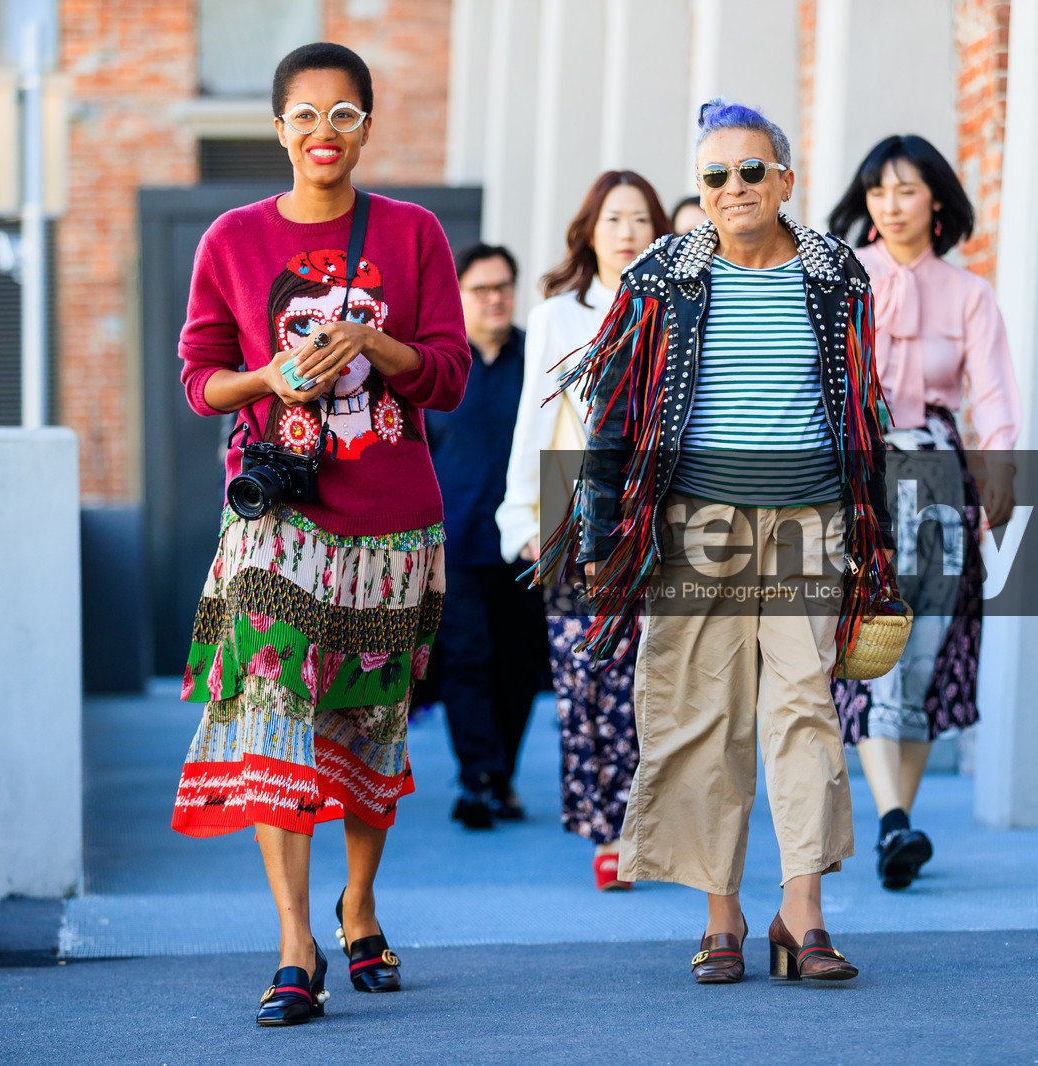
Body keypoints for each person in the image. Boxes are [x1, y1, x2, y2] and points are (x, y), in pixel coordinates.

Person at [544, 99, 895, 983]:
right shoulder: (663, 275)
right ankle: (722, 918)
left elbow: (865, 407)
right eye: (713, 176)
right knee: (702, 716)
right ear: (697, 187)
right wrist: (596, 533)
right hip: (693, 527)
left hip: (810, 523)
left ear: (784, 179)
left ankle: (802, 913)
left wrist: (876, 538)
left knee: (804, 709)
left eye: (749, 171)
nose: (732, 188)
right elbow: (615, 416)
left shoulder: (834, 273)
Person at [170, 42, 469, 1025]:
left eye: (343, 115)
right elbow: (199, 377)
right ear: (277, 128)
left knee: (365, 724)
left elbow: (449, 377)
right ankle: (296, 939)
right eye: (304, 115)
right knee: (270, 712)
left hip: (388, 522)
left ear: (367, 126)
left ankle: (359, 899)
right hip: (276, 520)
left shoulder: (415, 234)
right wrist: (270, 377)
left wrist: (373, 343)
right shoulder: (229, 239)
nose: (323, 134)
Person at [827, 134, 1020, 891]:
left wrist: (1002, 466)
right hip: (863, 480)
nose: (891, 205)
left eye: (906, 190)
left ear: (935, 199)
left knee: (923, 650)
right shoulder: (845, 284)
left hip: (939, 479)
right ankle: (891, 821)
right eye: (878, 192)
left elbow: (996, 395)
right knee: (874, 643)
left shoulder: (971, 294)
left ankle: (896, 823)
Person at [497, 170, 671, 891]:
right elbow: (534, 423)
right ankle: (609, 830)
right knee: (586, 677)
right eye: (614, 220)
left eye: (640, 220)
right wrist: (524, 517)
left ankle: (650, 827)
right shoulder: (558, 317)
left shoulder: (682, 309)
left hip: (661, 517)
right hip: (574, 519)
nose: (627, 233)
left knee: (653, 678)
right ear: (589, 233)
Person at [426, 243, 547, 829]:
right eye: (481, 289)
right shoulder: (438, 365)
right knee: (467, 660)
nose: (495, 297)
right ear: (459, 296)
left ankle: (502, 776)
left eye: (503, 286)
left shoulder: (540, 359)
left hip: (527, 541)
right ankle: (476, 775)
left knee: (520, 663)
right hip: (456, 544)